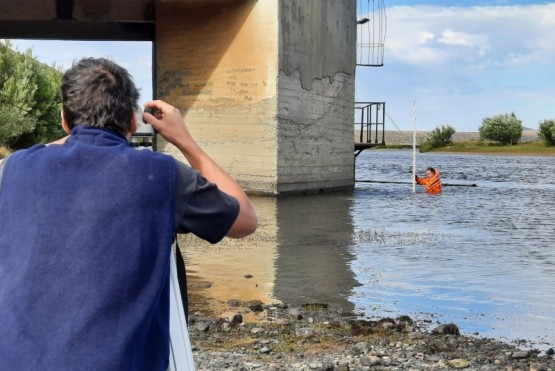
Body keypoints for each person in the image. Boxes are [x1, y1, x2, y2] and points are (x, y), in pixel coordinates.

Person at [0, 57, 258, 370]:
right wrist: (185, 141)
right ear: (134, 123)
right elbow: (245, 219)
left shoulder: (12, 171)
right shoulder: (162, 176)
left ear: (64, 120)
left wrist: (73, 139)